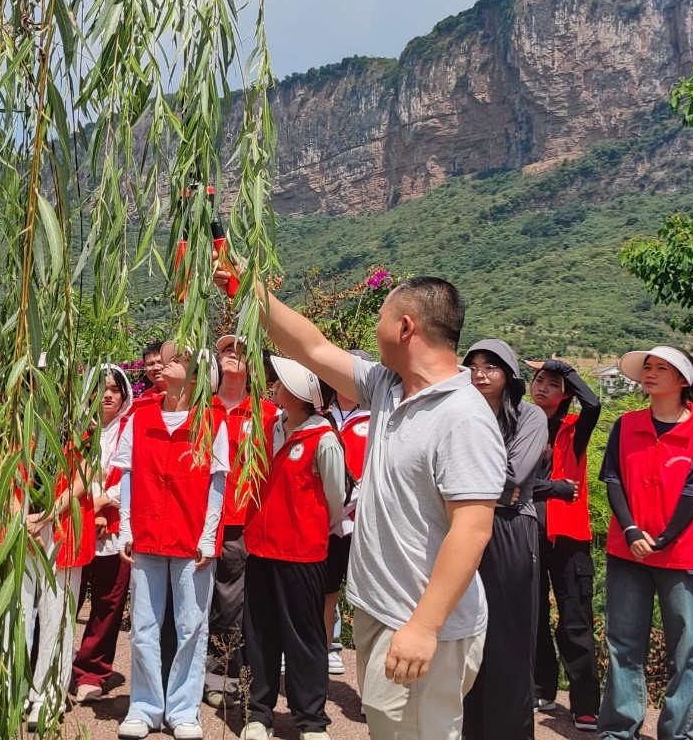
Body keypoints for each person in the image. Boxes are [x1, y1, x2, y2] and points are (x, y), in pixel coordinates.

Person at [214, 266, 506, 740]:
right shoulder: (390, 388)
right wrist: (247, 289)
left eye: (381, 317)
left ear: (405, 327)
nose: (374, 330)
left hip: (418, 621)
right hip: (381, 611)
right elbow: (311, 347)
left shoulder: (463, 417)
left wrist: (424, 626)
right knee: (389, 731)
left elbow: (472, 529)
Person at [598, 346, 693, 740]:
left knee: (686, 651)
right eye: (647, 368)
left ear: (683, 381)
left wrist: (660, 539)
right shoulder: (626, 424)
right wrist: (630, 531)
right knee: (622, 643)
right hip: (628, 551)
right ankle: (617, 731)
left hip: (685, 555)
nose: (650, 374)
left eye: (661, 368)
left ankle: (677, 734)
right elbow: (613, 480)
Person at [114, 341, 229, 740]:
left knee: (191, 627)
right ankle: (144, 707)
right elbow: (127, 475)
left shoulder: (212, 421)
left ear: (197, 375)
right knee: (143, 626)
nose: (163, 364)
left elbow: (218, 484)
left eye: (175, 360)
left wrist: (209, 536)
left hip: (190, 539)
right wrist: (126, 529)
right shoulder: (140, 416)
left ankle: (183, 711)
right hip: (146, 535)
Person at [240, 357, 344, 740]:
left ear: (302, 395)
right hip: (261, 549)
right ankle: (258, 715)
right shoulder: (267, 428)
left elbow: (335, 499)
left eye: (281, 382)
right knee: (260, 634)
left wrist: (310, 528)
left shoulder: (324, 439)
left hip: (303, 553)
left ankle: (311, 720)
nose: (274, 385)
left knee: (305, 637)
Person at [460, 340, 548, 740]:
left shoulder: (530, 417)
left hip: (512, 528)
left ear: (509, 374)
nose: (481, 373)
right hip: (462, 524)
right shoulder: (459, 412)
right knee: (466, 630)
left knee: (509, 635)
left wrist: (468, 478)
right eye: (474, 366)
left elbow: (515, 474)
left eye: (491, 366)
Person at [204, 334, 281, 709]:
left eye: (241, 351)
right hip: (200, 522)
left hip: (244, 523)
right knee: (196, 603)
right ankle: (191, 673)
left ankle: (226, 672)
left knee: (232, 604)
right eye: (225, 351)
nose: (232, 356)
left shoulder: (269, 414)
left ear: (256, 366)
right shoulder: (200, 411)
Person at [527, 358, 601, 731]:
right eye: (539, 379)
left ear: (565, 394)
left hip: (569, 537)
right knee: (534, 616)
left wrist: (563, 367)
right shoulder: (519, 425)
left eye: (553, 384)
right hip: (527, 533)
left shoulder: (574, 429)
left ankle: (586, 703)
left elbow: (594, 404)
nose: (542, 387)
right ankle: (541, 688)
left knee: (575, 622)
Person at [24, 416, 94, 727]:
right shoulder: (18, 417)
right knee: (20, 614)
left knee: (58, 615)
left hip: (63, 528)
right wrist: (22, 519)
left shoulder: (83, 425)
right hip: (19, 531)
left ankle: (49, 692)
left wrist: (45, 517)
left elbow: (85, 476)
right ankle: (16, 689)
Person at [72, 366, 135, 701]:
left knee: (107, 605)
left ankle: (91, 673)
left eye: (115, 388)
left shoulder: (132, 429)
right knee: (68, 598)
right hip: (75, 525)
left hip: (115, 527)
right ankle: (52, 665)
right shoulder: (77, 430)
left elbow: (133, 477)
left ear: (124, 396)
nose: (108, 394)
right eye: (101, 388)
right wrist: (85, 509)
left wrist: (102, 504)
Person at [325, 351, 370, 676]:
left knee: (366, 595)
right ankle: (323, 649)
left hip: (364, 520)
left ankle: (372, 676)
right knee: (323, 590)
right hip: (324, 518)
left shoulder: (378, 415)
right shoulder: (318, 413)